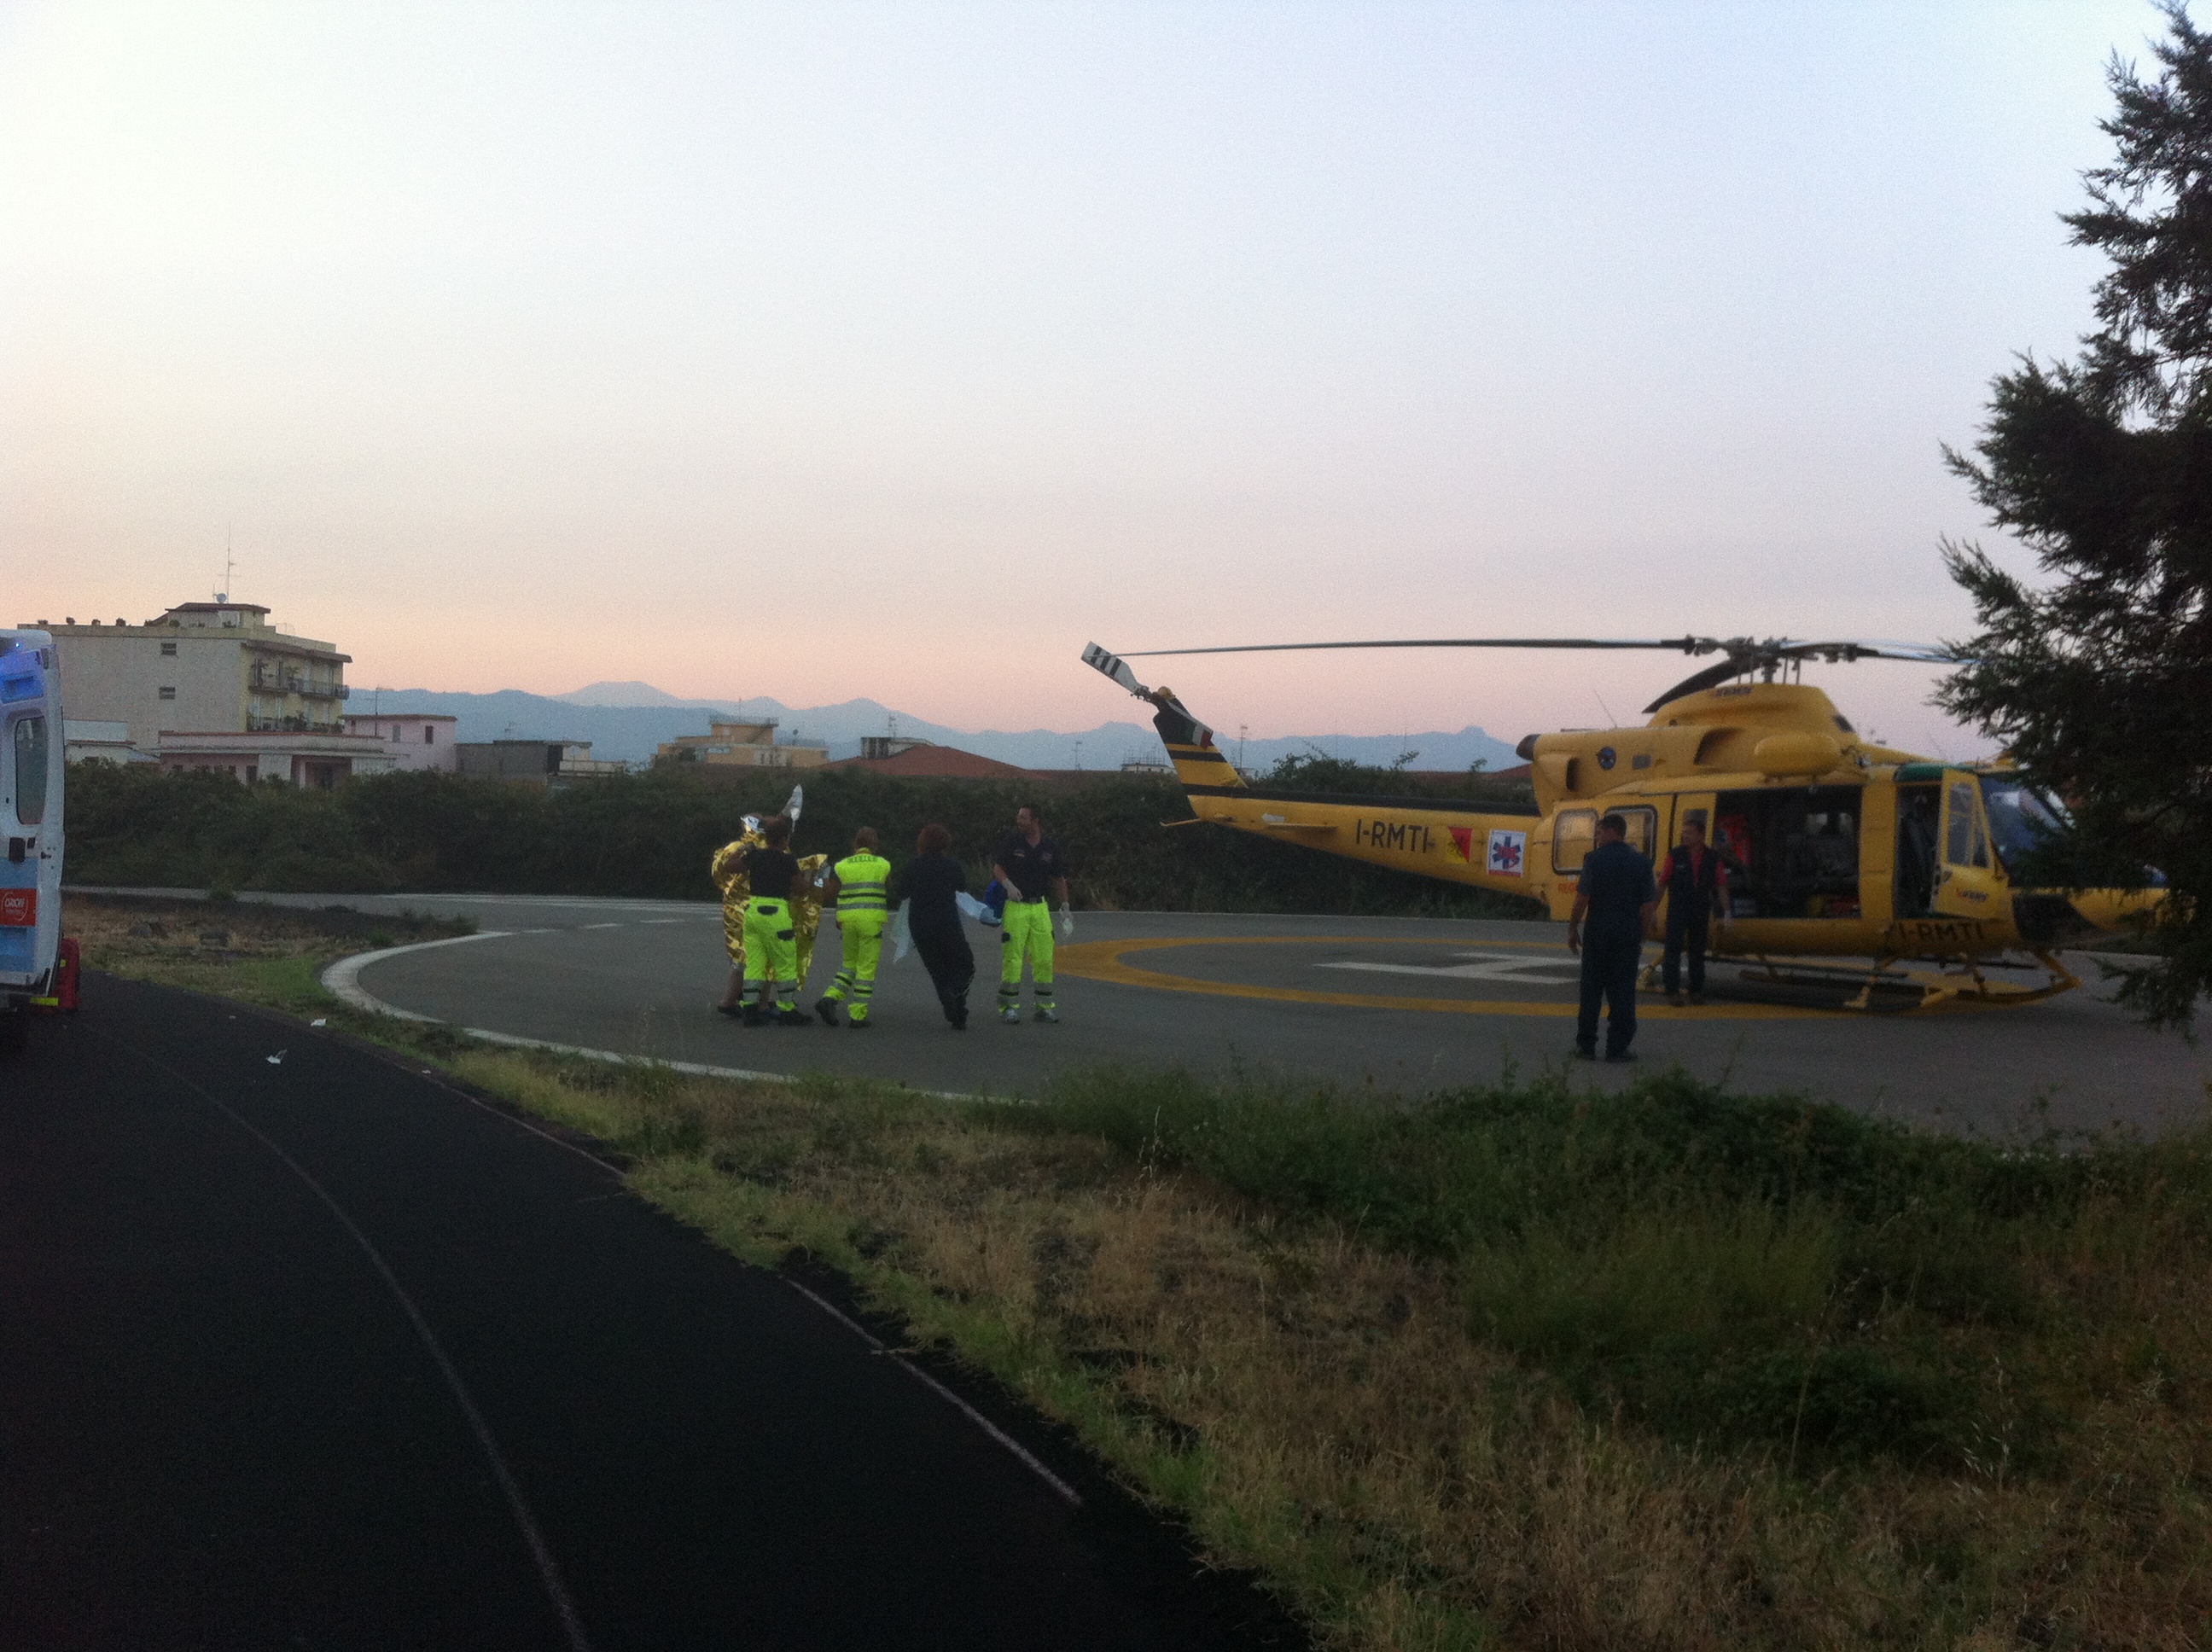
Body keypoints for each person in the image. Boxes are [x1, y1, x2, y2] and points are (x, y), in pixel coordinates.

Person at [1568, 812, 1656, 1062]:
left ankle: (1586, 1046)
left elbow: (1582, 899)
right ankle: (1617, 1048)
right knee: (1623, 993)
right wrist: (1641, 936)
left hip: (1597, 935)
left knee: (1591, 992)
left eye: (1599, 832)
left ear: (1611, 831)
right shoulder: (1642, 863)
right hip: (1627, 936)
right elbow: (1649, 908)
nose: (1597, 838)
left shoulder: (1594, 861)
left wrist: (1573, 927)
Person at [991, 801, 1072, 1024]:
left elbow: (1058, 877)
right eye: (1019, 817)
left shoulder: (1050, 847)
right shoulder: (1013, 842)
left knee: (1044, 957)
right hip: (1017, 906)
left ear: (1035, 821)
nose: (1019, 821)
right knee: (1013, 957)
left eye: (1024, 818)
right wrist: (1007, 885)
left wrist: (1065, 907)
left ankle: (1044, 1007)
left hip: (1040, 907)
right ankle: (1008, 1006)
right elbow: (998, 867)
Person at [894, 822, 977, 1029]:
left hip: (920, 925)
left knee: (937, 970)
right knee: (965, 964)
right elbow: (962, 887)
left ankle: (954, 1012)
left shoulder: (913, 866)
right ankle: (956, 996)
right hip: (946, 922)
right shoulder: (952, 866)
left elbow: (901, 892)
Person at [736, 815, 812, 1026]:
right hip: (776, 912)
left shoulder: (755, 856)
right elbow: (800, 890)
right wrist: (809, 878)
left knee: (754, 963)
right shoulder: (788, 860)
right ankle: (788, 1010)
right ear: (785, 839)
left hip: (753, 912)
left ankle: (749, 1010)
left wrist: (743, 850)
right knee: (785, 962)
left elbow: (730, 867)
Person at [816, 827, 892, 1028]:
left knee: (849, 963)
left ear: (855, 844)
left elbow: (832, 891)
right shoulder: (882, 864)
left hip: (847, 920)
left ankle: (829, 998)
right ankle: (858, 1014)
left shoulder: (842, 865)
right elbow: (888, 885)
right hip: (871, 921)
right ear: (874, 845)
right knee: (866, 968)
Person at [1656, 815, 1730, 1005]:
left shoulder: (1713, 858)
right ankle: (1672, 990)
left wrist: (1727, 912)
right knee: (1672, 950)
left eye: (1689, 833)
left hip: (1700, 909)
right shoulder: (1675, 855)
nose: (1685, 836)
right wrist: (1652, 909)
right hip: (1678, 909)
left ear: (1701, 835)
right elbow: (1662, 883)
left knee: (1697, 952)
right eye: (1684, 833)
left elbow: (1721, 885)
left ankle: (1696, 989)